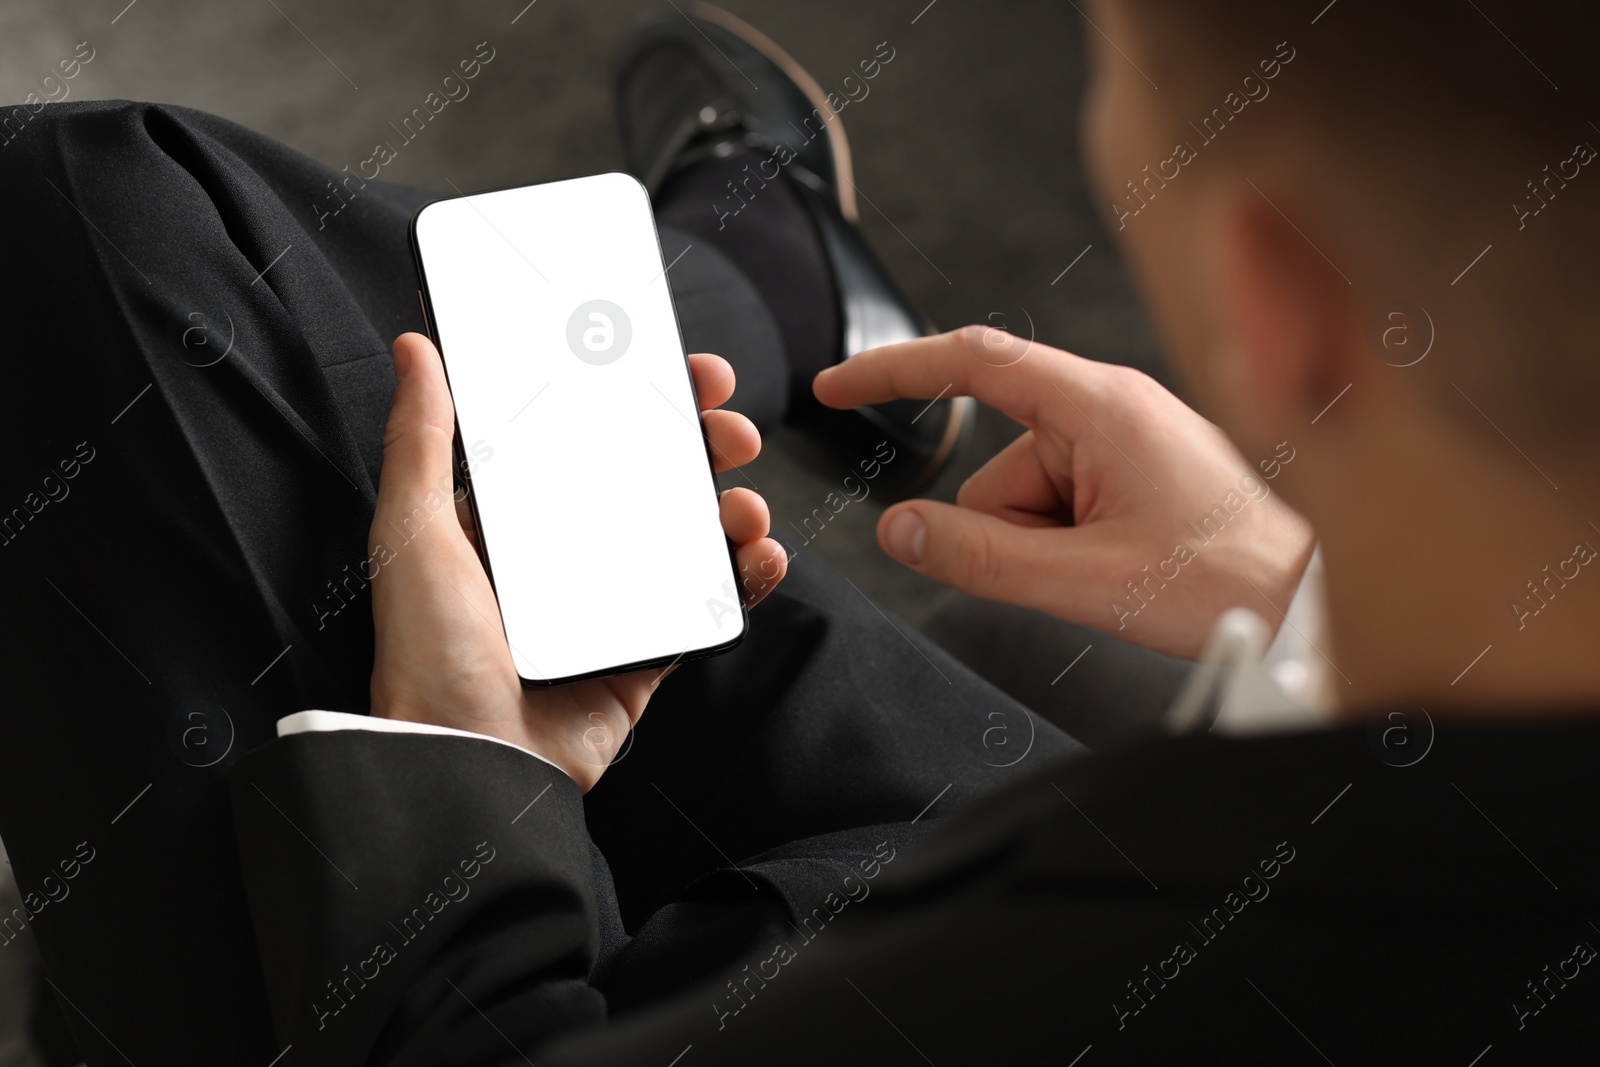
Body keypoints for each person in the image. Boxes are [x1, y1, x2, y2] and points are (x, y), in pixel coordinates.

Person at [4, 3, 1599, 1066]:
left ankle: (754, 277)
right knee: (113, 224)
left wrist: (461, 774)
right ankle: (760, 278)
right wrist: (1298, 592)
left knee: (77, 245)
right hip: (1037, 835)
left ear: (1277, 307)